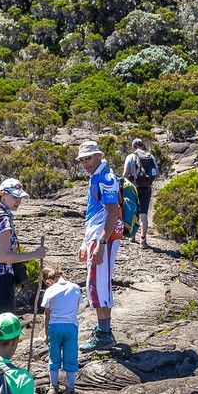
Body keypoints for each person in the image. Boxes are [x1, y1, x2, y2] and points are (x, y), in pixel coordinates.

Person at [0, 178, 46, 358]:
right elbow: (4, 256)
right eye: (15, 197)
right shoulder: (4, 220)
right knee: (4, 331)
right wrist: (34, 254)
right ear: (3, 195)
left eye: (20, 197)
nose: (18, 201)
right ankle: (1, 371)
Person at [76, 139, 123, 352]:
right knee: (98, 282)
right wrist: (86, 241)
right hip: (96, 234)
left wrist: (101, 243)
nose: (85, 163)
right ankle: (104, 331)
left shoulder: (106, 177)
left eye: (88, 158)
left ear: (98, 156)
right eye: (82, 160)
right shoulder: (96, 176)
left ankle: (104, 334)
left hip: (103, 236)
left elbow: (112, 212)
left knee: (98, 283)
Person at [40, 266, 81, 394]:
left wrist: (45, 333)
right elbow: (76, 307)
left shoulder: (50, 290)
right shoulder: (75, 288)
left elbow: (47, 314)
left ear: (49, 280)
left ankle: (54, 387)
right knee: (71, 357)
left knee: (54, 358)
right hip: (71, 326)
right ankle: (70, 389)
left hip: (54, 326)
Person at [123, 138, 159, 248]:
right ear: (142, 146)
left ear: (133, 147)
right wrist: (148, 181)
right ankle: (143, 240)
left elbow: (125, 175)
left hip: (134, 187)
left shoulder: (130, 157)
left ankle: (132, 235)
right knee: (143, 214)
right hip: (146, 188)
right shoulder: (150, 156)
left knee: (133, 211)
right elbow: (157, 174)